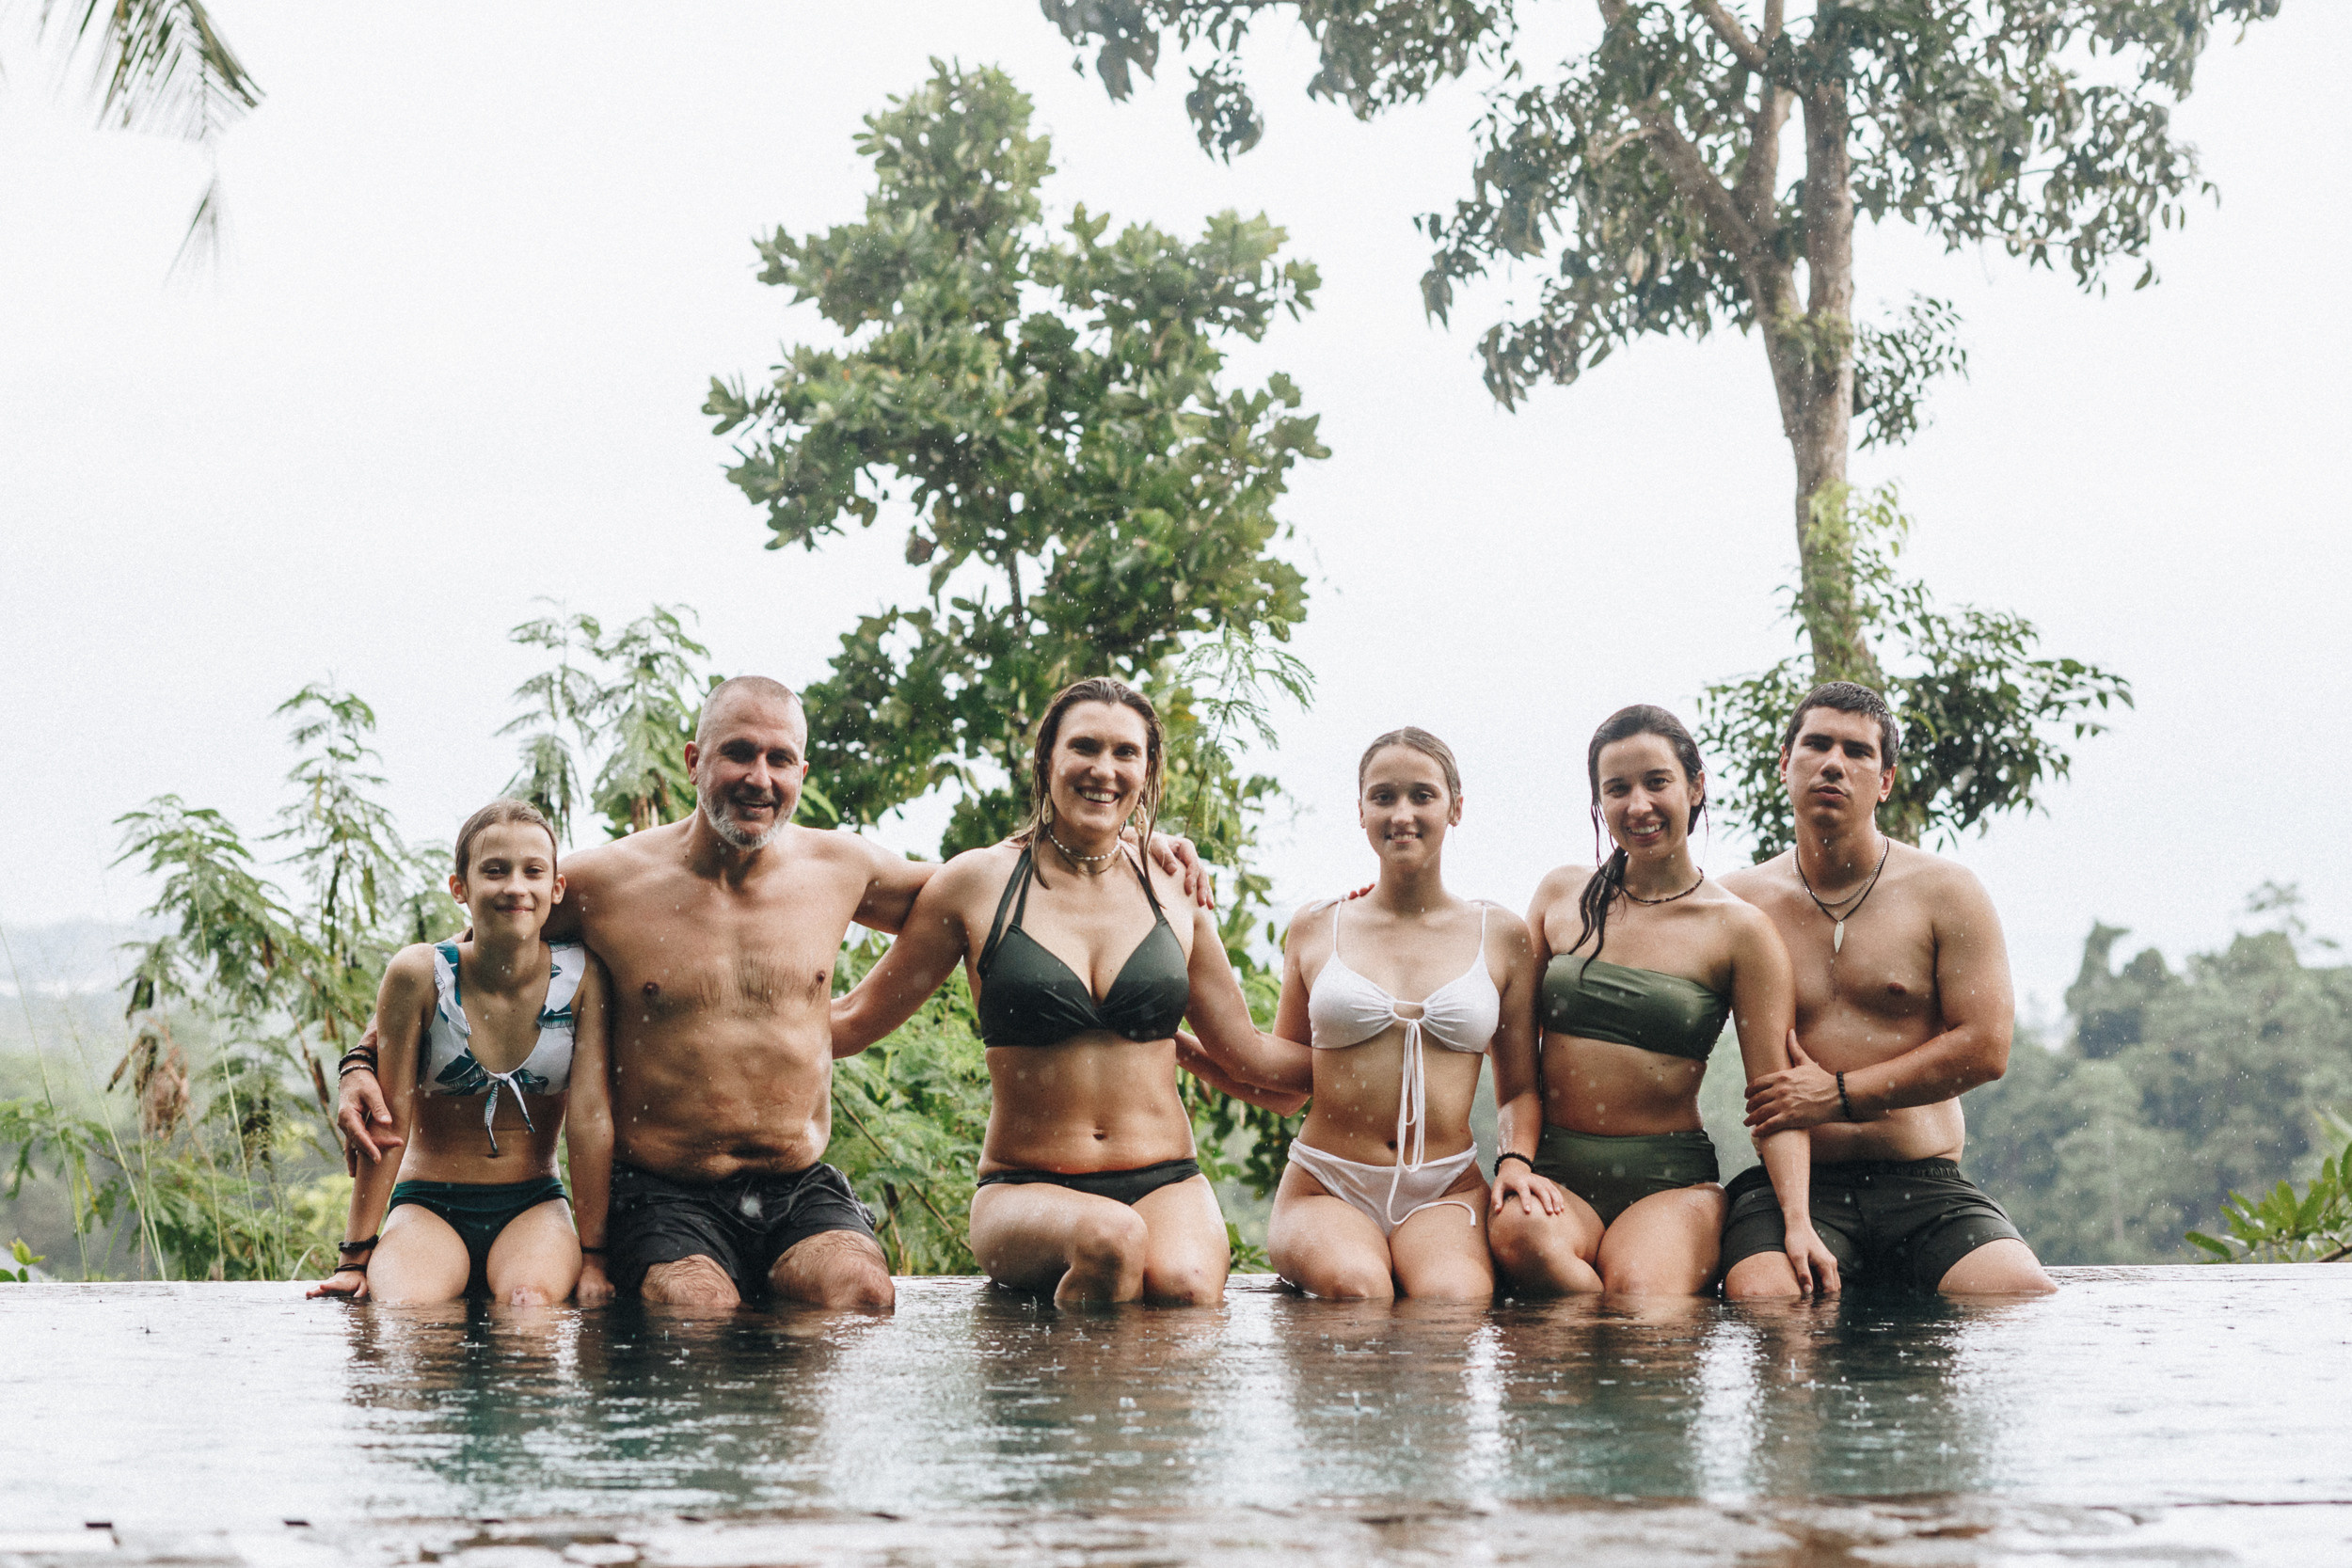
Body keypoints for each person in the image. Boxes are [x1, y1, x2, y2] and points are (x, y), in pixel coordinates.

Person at [336, 675, 1210, 1312]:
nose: (759, 776)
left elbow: (1006, 883)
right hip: (664, 1188)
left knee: (862, 1295)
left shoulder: (841, 867)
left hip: (795, 1182)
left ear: (800, 770)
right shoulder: (605, 883)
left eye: (780, 758)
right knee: (695, 1308)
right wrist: (361, 1061)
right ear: (695, 760)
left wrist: (1140, 847)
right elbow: (479, 954)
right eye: (739, 754)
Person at [828, 677, 1300, 1307]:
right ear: (1046, 758)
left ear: (1147, 770)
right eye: (1084, 747)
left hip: (1167, 1181)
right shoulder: (978, 882)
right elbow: (854, 1018)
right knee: (1110, 1241)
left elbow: (1252, 1058)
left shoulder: (1174, 886)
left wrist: (1387, 1045)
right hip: (1024, 1186)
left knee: (1186, 1288)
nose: (1104, 769)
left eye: (1125, 752)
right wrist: (726, 1023)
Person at [1488, 705, 1837, 1296]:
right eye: (1617, 789)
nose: (1638, 806)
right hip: (1553, 1174)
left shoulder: (1740, 930)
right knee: (1527, 1240)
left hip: (1671, 1184)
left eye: (1657, 782)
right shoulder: (1560, 895)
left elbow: (1775, 1098)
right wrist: (1514, 1160)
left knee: (1639, 1297)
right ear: (1599, 801)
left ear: (1695, 787)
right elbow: (1514, 1066)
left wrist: (1797, 1223)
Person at [1723, 682, 2056, 1297]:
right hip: (1796, 1187)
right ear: (1785, 762)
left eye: (1857, 751)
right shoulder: (1738, 903)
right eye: (1817, 744)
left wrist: (1838, 1094)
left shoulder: (1946, 892)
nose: (1834, 763)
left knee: (2017, 1292)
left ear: (1885, 781)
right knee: (1766, 1297)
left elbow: (1987, 1048)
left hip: (1923, 1181)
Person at [1198, 728, 1547, 1301]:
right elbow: (1289, 1082)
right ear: (1360, 811)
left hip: (1446, 1189)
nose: (1401, 814)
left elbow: (1519, 1090)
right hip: (1326, 1183)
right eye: (1383, 797)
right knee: (1357, 1289)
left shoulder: (1501, 935)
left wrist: (1514, 1162)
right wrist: (1179, 1047)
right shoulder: (1317, 926)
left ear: (1455, 808)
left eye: (1422, 796)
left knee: (1451, 1300)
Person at [310, 800, 611, 1306]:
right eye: (494, 871)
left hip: (533, 1202)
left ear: (556, 888)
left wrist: (595, 1257)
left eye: (533, 871)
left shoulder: (581, 979)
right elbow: (388, 1117)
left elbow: (590, 1119)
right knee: (410, 1310)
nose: (515, 886)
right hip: (428, 1203)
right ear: (460, 888)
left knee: (531, 1305)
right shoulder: (419, 975)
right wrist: (353, 1258)